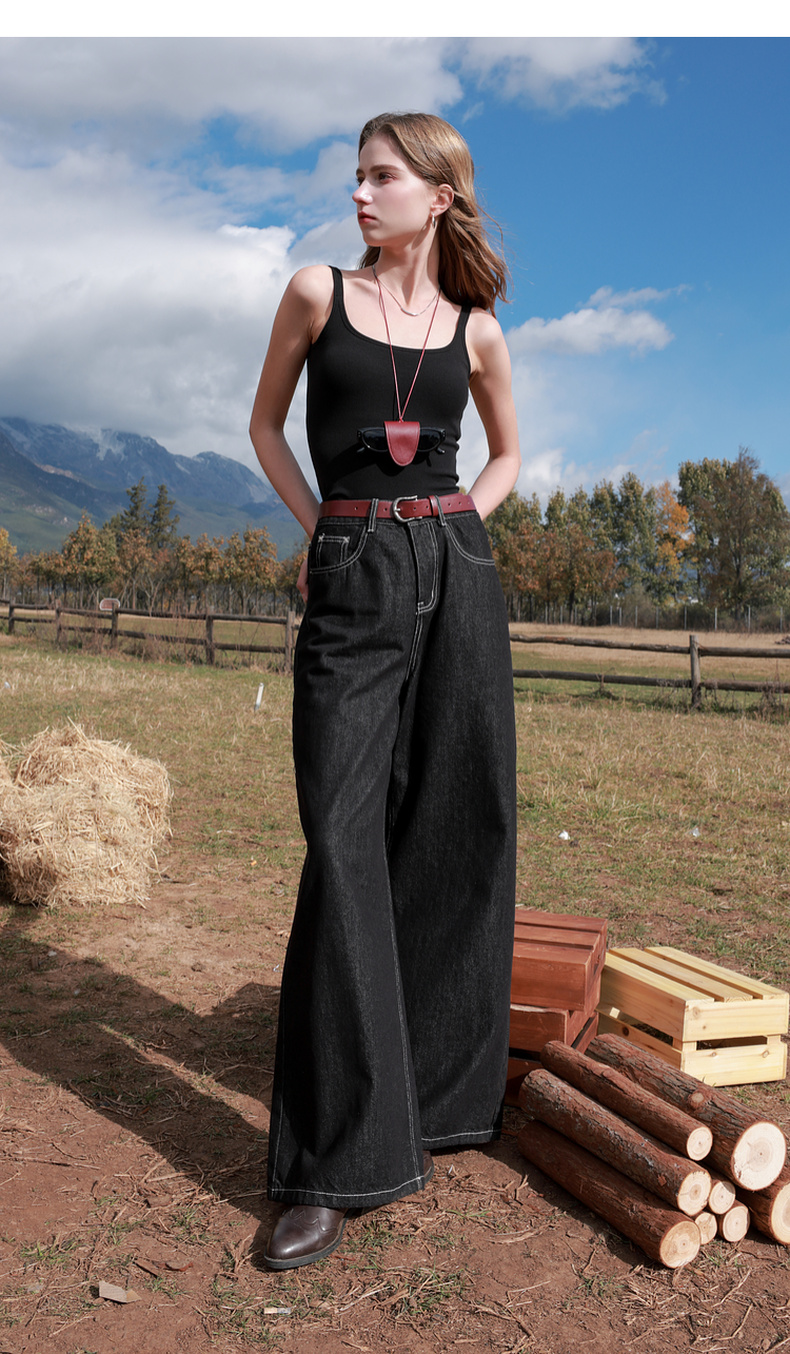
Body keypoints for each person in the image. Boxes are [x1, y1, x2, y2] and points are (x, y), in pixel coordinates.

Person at [249, 111, 520, 1271]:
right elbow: (265, 426)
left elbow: (506, 455)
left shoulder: (476, 329)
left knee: (459, 822)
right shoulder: (317, 292)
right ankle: (335, 1161)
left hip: (454, 567)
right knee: (343, 835)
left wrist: (454, 529)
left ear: (439, 196)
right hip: (352, 561)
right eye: (356, 176)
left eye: (381, 176)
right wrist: (323, 528)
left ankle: (440, 1102)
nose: (360, 193)